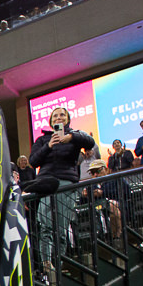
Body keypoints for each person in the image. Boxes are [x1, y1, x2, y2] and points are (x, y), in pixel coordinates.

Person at [28, 106, 95, 269]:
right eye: (55, 115)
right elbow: (33, 161)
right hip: (46, 183)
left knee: (61, 227)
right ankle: (46, 263)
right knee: (45, 225)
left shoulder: (75, 136)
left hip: (66, 184)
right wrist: (49, 145)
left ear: (68, 119)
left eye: (62, 115)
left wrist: (70, 137)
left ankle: (59, 265)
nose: (59, 117)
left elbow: (89, 141)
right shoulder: (42, 140)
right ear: (51, 121)